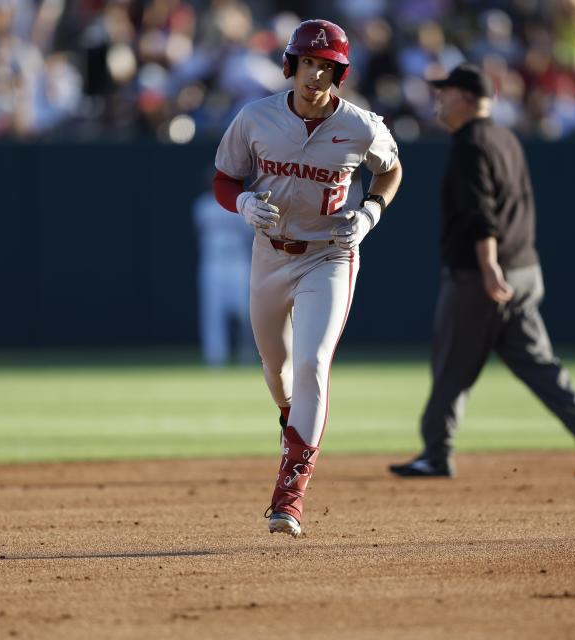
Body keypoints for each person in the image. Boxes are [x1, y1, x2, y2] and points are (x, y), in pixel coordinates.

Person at [213, 19, 402, 537]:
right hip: (270, 255)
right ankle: (290, 423)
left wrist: (371, 212)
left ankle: (289, 496)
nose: (314, 75)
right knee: (278, 374)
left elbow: (390, 168)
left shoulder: (360, 125)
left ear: (339, 72)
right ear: (290, 66)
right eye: (307, 63)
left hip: (329, 254)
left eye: (325, 66)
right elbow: (224, 178)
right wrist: (244, 201)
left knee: (313, 362)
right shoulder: (256, 118)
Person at [389, 64, 575, 480]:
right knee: (535, 361)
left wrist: (489, 263)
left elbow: (481, 210)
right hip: (525, 268)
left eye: (445, 91)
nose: (439, 98)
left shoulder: (470, 142)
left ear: (463, 97)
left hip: (482, 275)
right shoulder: (506, 137)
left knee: (452, 363)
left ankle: (436, 453)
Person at [192, 180, 255, 367]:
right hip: (213, 263)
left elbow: (251, 234)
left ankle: (248, 352)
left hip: (238, 262)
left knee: (246, 313)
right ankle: (215, 357)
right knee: (212, 313)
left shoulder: (242, 204)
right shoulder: (202, 205)